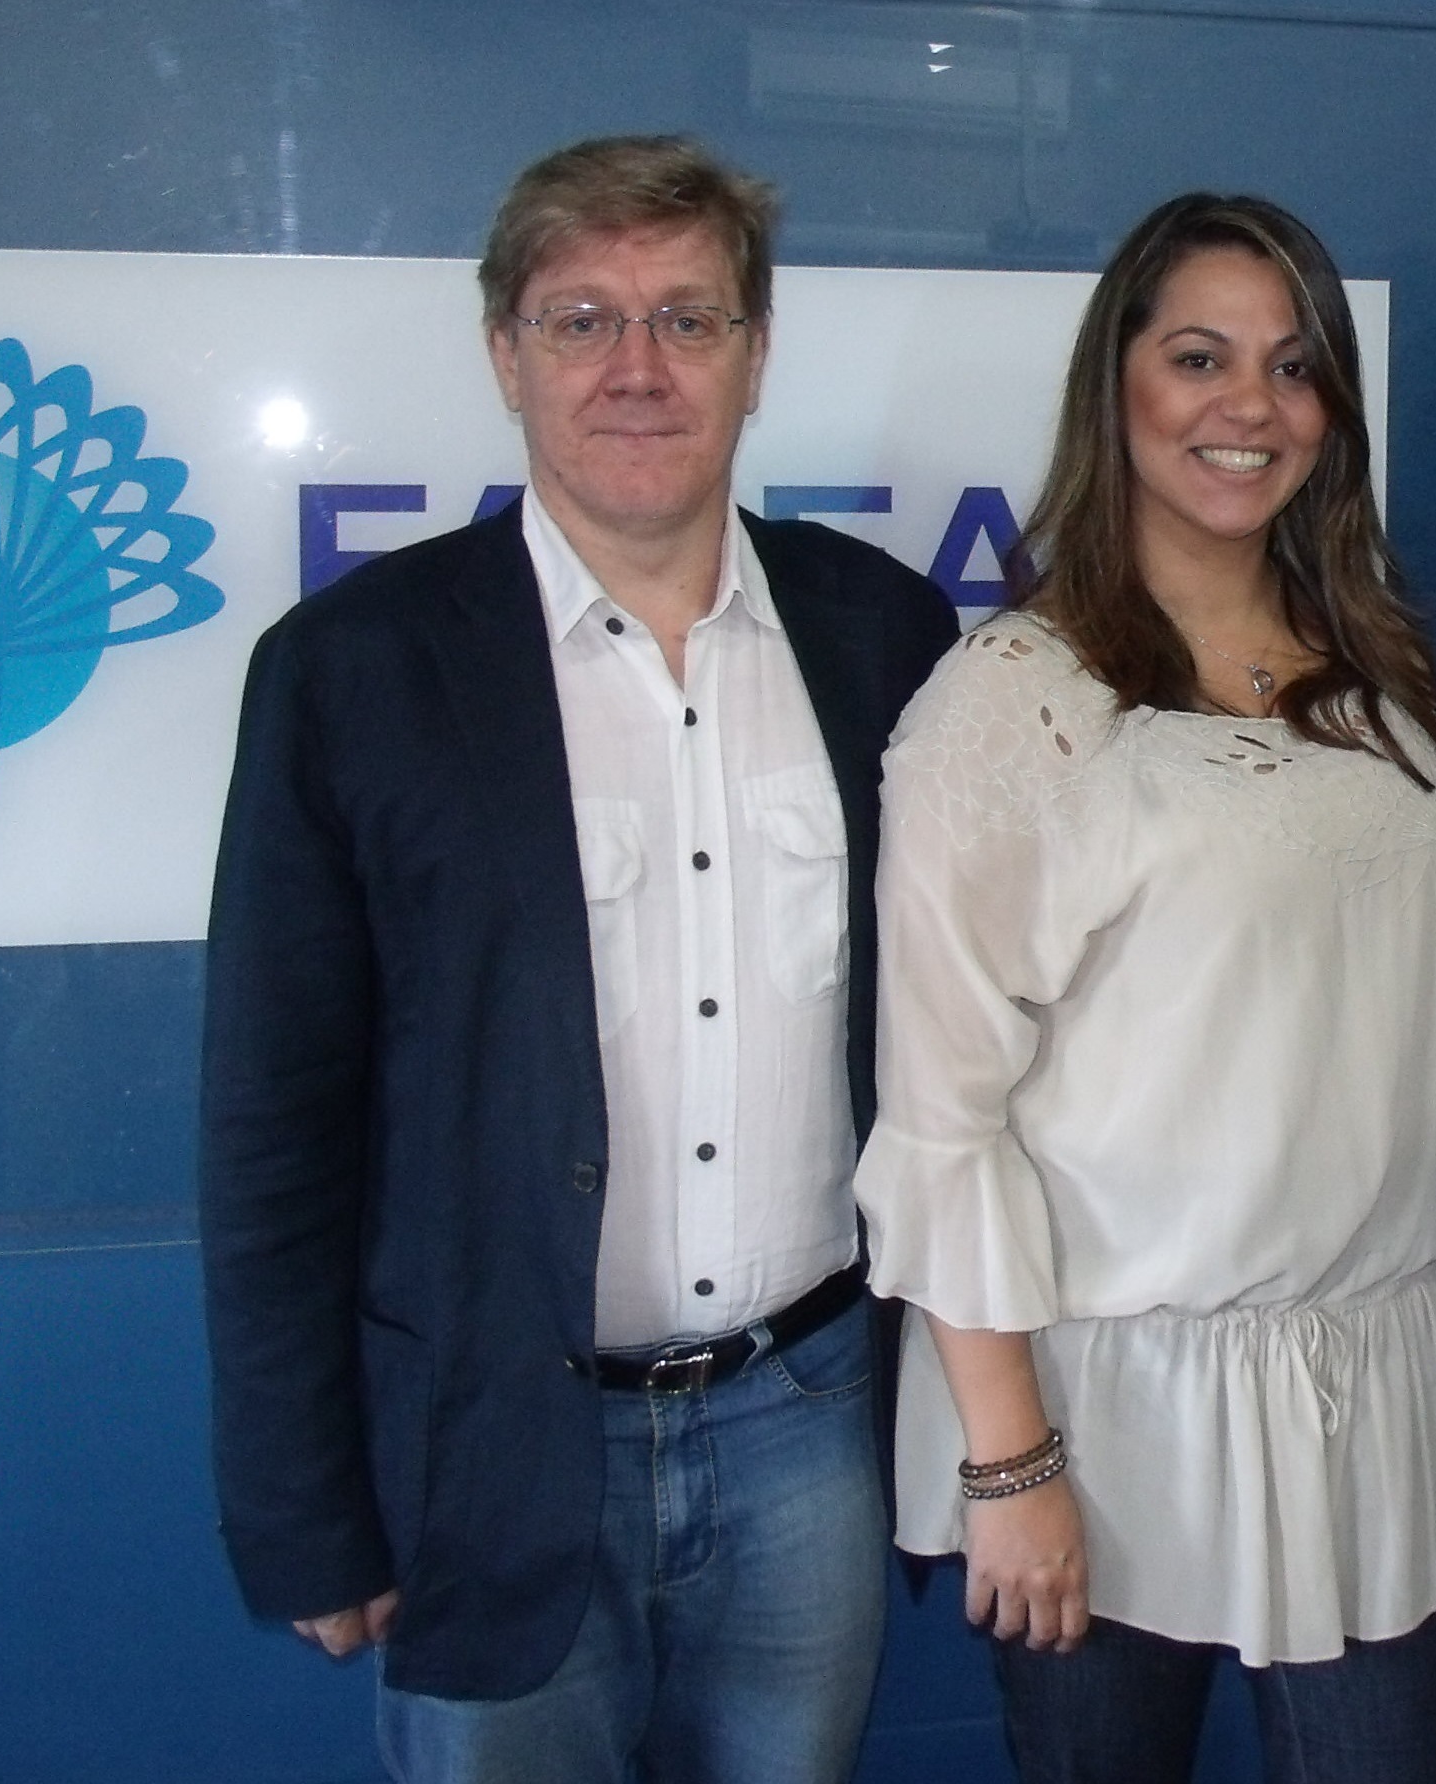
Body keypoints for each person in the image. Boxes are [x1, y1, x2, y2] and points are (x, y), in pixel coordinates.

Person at [197, 135, 956, 1782]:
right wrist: (306, 1509)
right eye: (581, 319)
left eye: (687, 319)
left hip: (809, 1425)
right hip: (491, 1446)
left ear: (756, 351)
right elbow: (274, 1122)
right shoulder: (353, 671)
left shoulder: (885, 634)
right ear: (505, 353)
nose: (637, 367)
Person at [853, 192, 1436, 1784]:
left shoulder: (1385, 670)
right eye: (1199, 357)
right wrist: (1012, 1465)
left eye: (1293, 365)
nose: (1248, 406)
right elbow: (942, 1114)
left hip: (1374, 1392)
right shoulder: (1016, 703)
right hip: (1110, 1420)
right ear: (1115, 384)